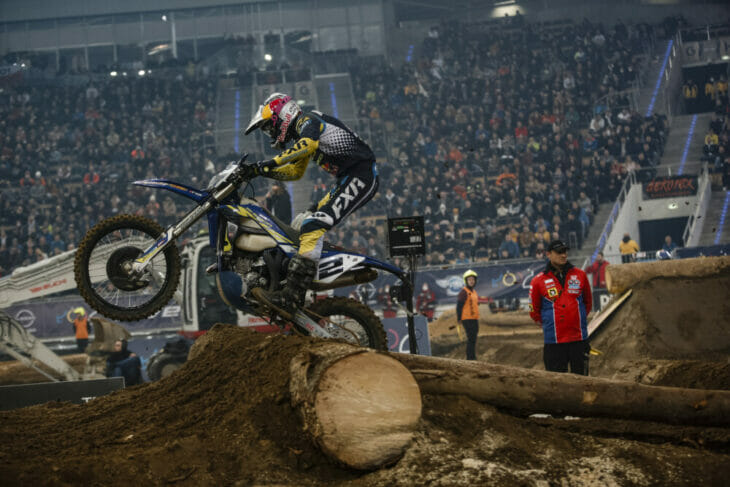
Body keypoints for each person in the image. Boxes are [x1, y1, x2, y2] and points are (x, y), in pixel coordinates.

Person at [244, 93, 378, 316]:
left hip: (361, 176)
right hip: (347, 179)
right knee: (301, 222)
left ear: (282, 116)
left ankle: (293, 295)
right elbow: (294, 172)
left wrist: (267, 163)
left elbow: (308, 145)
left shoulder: (307, 121)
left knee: (313, 225)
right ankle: (291, 281)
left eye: (269, 127)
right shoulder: (302, 133)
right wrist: (261, 171)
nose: (270, 133)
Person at [529, 240, 592, 375]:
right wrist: (549, 323)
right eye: (559, 252)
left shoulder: (580, 275)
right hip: (554, 341)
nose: (563, 255)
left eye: (565, 252)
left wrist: (577, 318)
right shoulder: (538, 280)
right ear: (548, 254)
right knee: (554, 382)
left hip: (578, 339)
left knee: (583, 380)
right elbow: (534, 310)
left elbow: (588, 303)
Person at [456, 270, 480, 361]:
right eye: (469, 279)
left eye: (473, 279)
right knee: (471, 338)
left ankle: (472, 356)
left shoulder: (474, 292)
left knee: (474, 338)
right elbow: (459, 306)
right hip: (466, 319)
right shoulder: (463, 292)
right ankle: (470, 358)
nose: (471, 281)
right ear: (466, 281)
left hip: (474, 318)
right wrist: (459, 319)